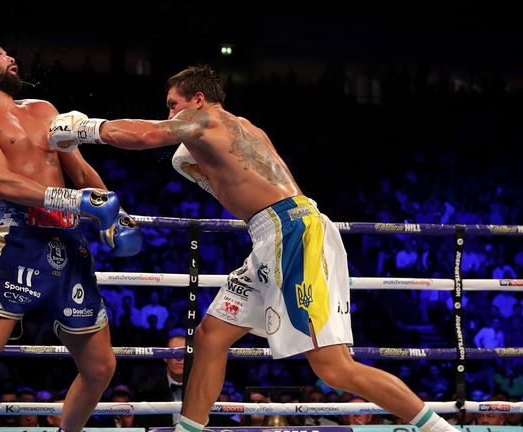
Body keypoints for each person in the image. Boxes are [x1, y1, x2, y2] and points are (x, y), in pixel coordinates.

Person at [47, 64, 457, 432]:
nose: (171, 114)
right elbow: (234, 185)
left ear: (199, 99)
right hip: (269, 236)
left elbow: (147, 135)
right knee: (210, 336)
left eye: (174, 105)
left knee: (333, 368)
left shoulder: (203, 119)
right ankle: (189, 430)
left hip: (294, 234)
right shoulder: (243, 128)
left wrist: (86, 128)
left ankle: (438, 428)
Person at [0, 40, 142, 432]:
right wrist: (77, 201)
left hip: (68, 239)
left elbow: (82, 174)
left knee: (101, 367)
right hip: (18, 236)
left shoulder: (44, 110)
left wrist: (115, 218)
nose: (11, 57)